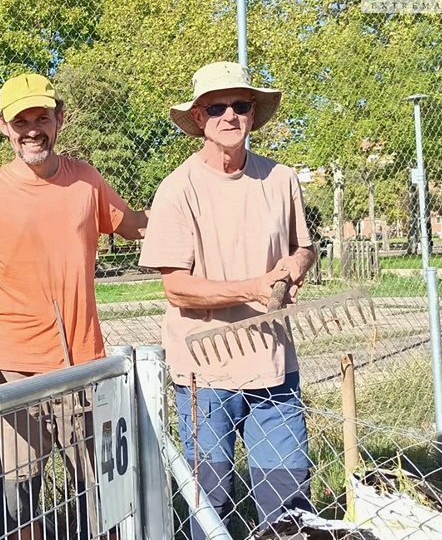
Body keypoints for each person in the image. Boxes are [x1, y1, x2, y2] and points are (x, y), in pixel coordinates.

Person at [0, 73, 149, 539]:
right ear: (3, 125)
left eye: (43, 117)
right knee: (18, 504)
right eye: (21, 120)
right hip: (13, 373)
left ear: (60, 119)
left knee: (103, 495)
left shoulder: (86, 181)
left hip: (84, 367)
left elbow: (136, 225)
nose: (33, 129)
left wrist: (194, 218)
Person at [138, 61, 316, 538]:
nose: (230, 116)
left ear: (253, 112)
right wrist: (254, 287)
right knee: (210, 505)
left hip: (274, 366)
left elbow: (304, 246)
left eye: (240, 105)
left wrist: (296, 268)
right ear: (199, 118)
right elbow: (176, 286)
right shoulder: (178, 189)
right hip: (205, 372)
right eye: (216, 107)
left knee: (289, 501)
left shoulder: (280, 180)